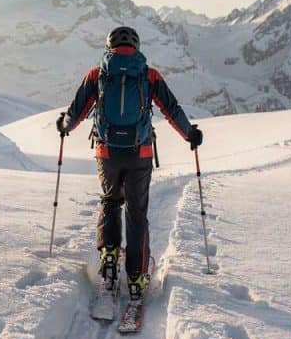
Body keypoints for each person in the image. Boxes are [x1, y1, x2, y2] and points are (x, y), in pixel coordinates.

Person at [56, 26, 203, 302]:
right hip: (140, 153)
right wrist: (189, 134)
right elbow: (171, 109)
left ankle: (109, 257)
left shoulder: (98, 73)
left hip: (107, 152)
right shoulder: (149, 74)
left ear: (108, 46)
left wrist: (63, 125)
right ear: (136, 46)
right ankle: (136, 277)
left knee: (110, 200)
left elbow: (77, 112)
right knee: (136, 213)